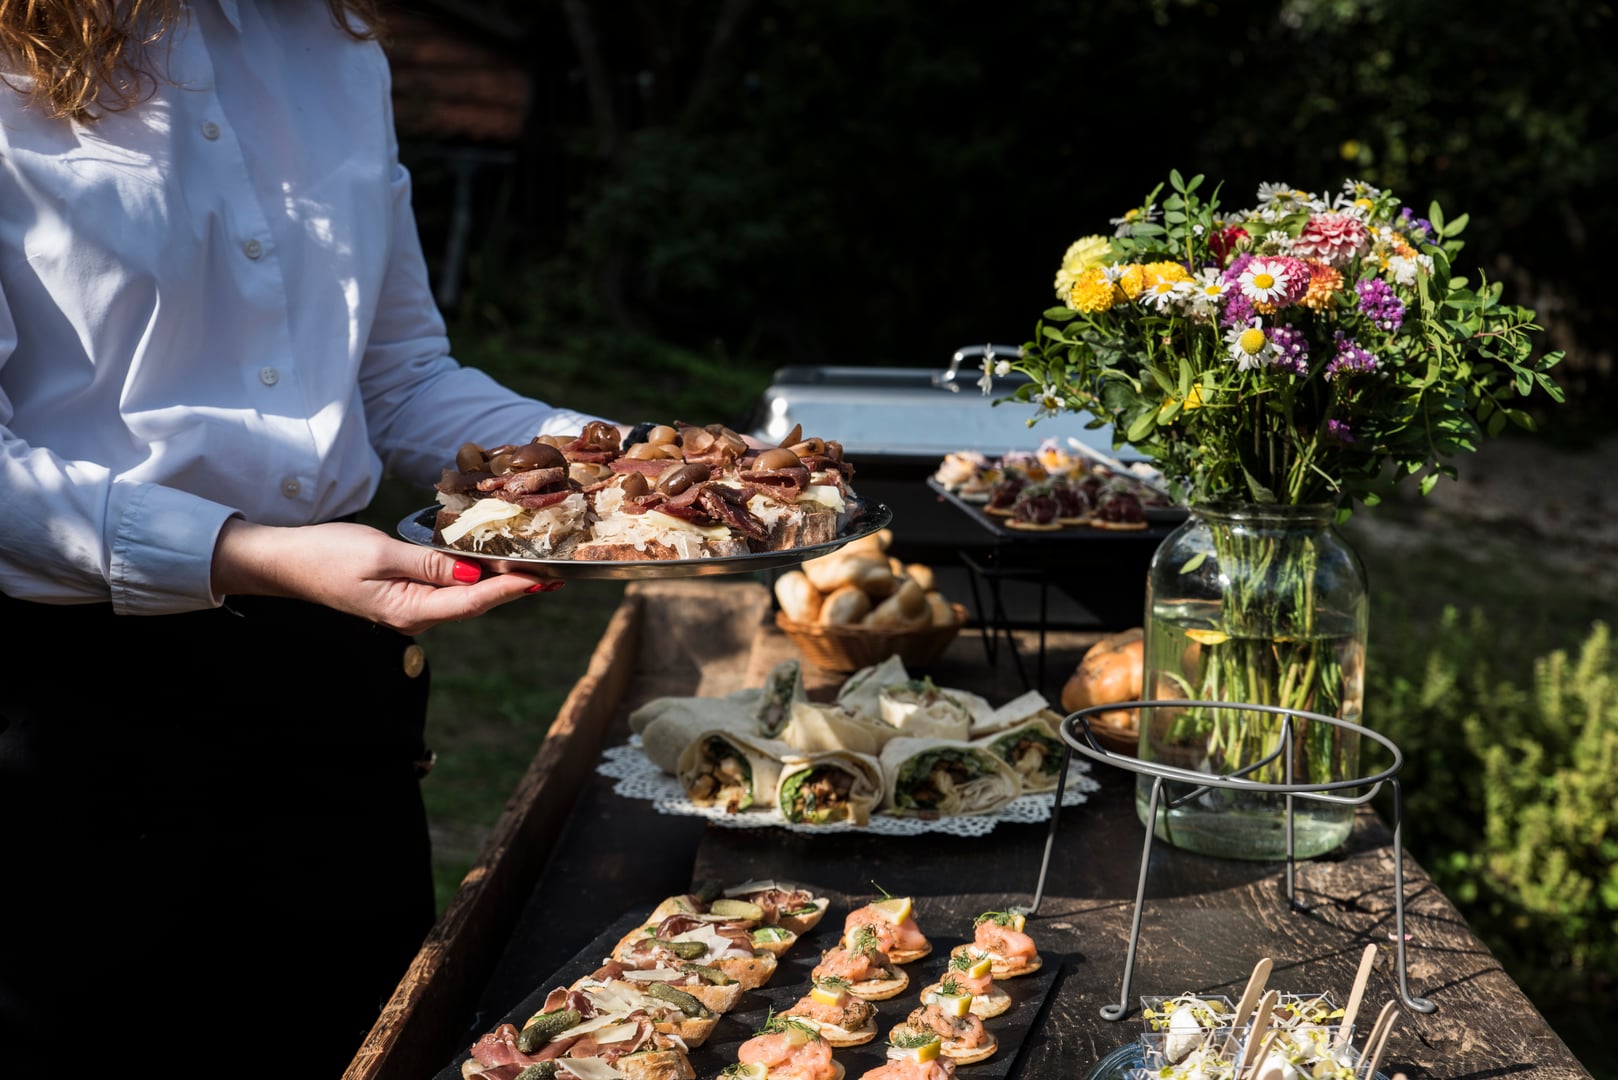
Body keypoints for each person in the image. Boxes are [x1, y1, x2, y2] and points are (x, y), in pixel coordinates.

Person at [0, 1, 613, 1070]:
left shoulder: (329, 41)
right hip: (70, 719)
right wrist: (265, 553)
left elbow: (399, 380)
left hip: (330, 696)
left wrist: (639, 459)